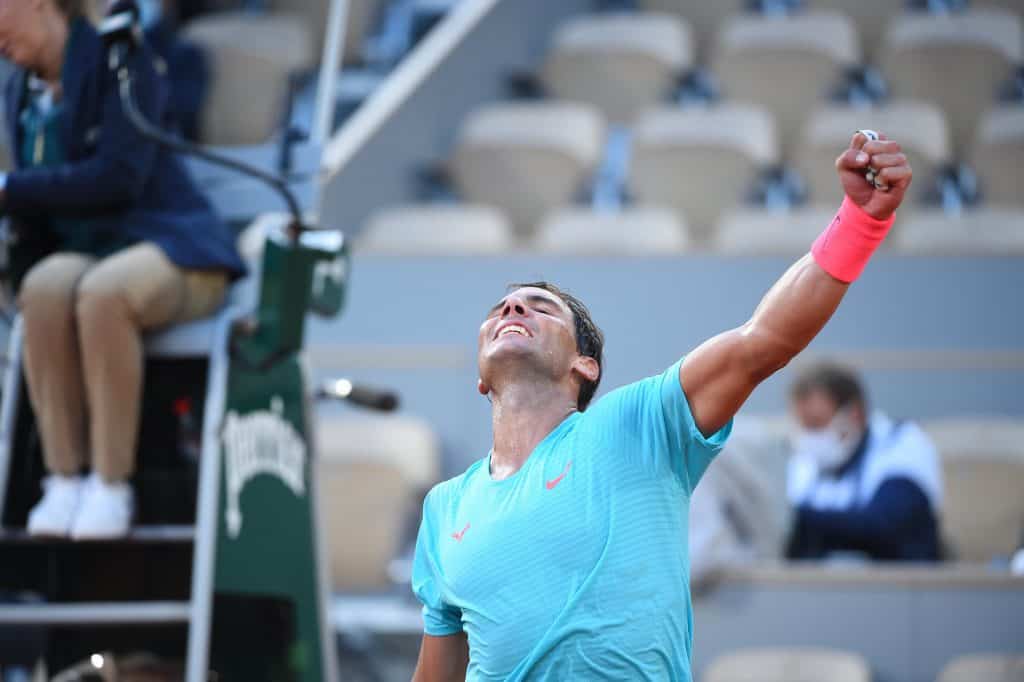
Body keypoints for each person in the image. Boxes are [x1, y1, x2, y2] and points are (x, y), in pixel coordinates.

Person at [410, 129, 913, 681]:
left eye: (540, 308)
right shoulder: (444, 508)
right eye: (502, 307)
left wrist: (861, 221)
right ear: (481, 379)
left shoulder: (638, 424)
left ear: (585, 365)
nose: (513, 307)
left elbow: (762, 341)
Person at [0, 0, 245, 539]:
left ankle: (112, 483)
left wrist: (8, 190)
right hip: (93, 250)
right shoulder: (18, 89)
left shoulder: (123, 60)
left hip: (177, 248)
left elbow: (117, 177)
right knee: (41, 289)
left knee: (103, 293)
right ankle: (63, 478)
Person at [784, 363, 943, 561]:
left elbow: (883, 525)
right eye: (803, 425)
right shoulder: (804, 464)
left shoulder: (902, 441)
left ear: (854, 414)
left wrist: (792, 520)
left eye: (816, 423)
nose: (810, 436)